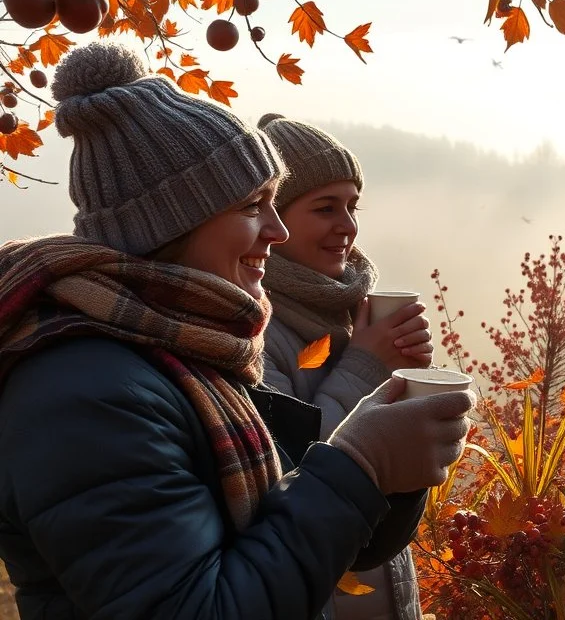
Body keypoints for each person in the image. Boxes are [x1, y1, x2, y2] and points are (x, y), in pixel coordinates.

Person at [0, 42, 473, 620]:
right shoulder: (85, 390)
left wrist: (389, 461)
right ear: (170, 223)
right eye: (254, 205)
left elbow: (298, 537)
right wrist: (360, 463)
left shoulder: (187, 350)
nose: (275, 232)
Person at [257, 113, 433, 620]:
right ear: (271, 217)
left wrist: (412, 378)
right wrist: (365, 365)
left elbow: (402, 463)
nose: (348, 226)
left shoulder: (349, 312)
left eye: (353, 206)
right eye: (325, 207)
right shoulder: (254, 330)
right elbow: (291, 472)